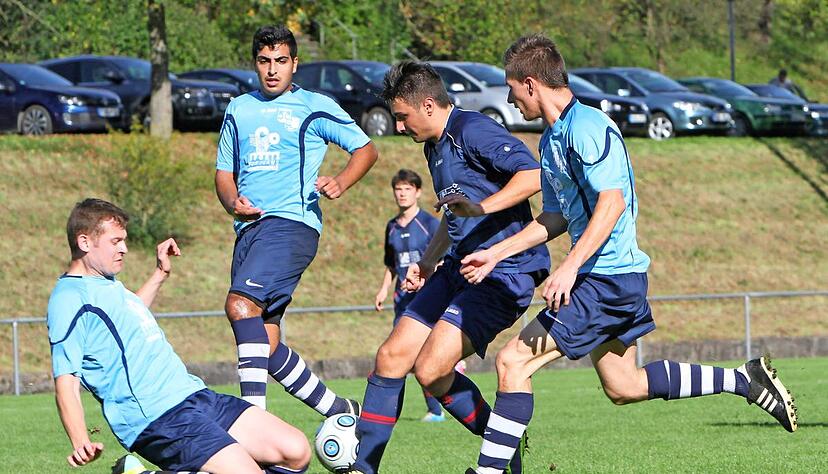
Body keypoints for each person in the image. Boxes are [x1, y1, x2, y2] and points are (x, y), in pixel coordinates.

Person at [460, 35, 798, 474]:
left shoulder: (588, 127)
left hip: (605, 279)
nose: (509, 99)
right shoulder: (551, 141)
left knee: (513, 361)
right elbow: (555, 218)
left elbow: (612, 202)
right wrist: (494, 253)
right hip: (608, 278)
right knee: (624, 386)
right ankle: (743, 380)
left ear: (530, 83)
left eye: (510, 89)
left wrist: (569, 266)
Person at [346, 61, 550, 474]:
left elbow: (534, 176)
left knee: (431, 371)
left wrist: (481, 208)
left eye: (402, 117)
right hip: (457, 267)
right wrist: (427, 259)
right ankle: (362, 468)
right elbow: (454, 214)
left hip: (504, 272)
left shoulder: (472, 130)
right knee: (390, 357)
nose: (399, 127)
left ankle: (502, 442)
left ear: (426, 105)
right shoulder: (432, 146)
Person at [48, 198, 310, 474]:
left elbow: (131, 313)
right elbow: (66, 380)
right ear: (85, 242)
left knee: (295, 451)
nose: (124, 249)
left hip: (193, 395)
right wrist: (80, 441)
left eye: (124, 240)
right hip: (157, 417)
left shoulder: (105, 283)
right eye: (116, 242)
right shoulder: (69, 299)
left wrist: (160, 273)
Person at [215, 25, 377, 416]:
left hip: (291, 225)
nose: (273, 69)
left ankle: (253, 426)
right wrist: (231, 203)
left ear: (294, 64)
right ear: (255, 63)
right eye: (265, 61)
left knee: (239, 305)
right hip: (249, 232)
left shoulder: (314, 106)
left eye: (281, 61)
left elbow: (366, 149)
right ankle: (340, 409)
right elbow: (223, 173)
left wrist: (340, 181)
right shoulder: (239, 109)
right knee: (265, 346)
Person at [374, 168, 446, 422]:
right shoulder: (391, 227)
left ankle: (436, 410)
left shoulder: (429, 224)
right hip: (401, 301)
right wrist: (384, 289)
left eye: (407, 189)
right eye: (398, 189)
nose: (402, 194)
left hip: (427, 299)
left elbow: (443, 258)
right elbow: (392, 263)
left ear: (417, 192)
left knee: (421, 358)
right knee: (397, 355)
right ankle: (392, 412)